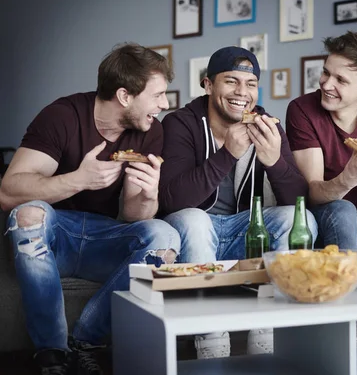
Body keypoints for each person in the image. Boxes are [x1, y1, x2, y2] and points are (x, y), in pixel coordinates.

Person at [0, 43, 181, 375]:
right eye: (157, 95)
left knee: (164, 235)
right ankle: (52, 354)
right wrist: (79, 179)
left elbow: (131, 218)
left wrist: (148, 195)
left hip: (105, 237)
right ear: (125, 96)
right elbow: (9, 192)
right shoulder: (63, 116)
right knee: (27, 214)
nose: (164, 104)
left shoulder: (149, 130)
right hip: (57, 238)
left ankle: (87, 340)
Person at [159, 46, 317, 359]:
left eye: (250, 84)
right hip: (194, 235)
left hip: (246, 234)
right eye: (231, 82)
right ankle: (211, 337)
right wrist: (226, 155)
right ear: (208, 85)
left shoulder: (268, 125)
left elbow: (298, 203)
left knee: (302, 221)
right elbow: (172, 200)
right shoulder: (180, 123)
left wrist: (275, 163)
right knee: (194, 218)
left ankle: (269, 332)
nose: (241, 93)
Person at [285, 31, 357, 342]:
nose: (326, 84)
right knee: (342, 207)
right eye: (325, 72)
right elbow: (314, 192)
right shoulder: (302, 110)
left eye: (340, 80)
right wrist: (350, 177)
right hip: (320, 227)